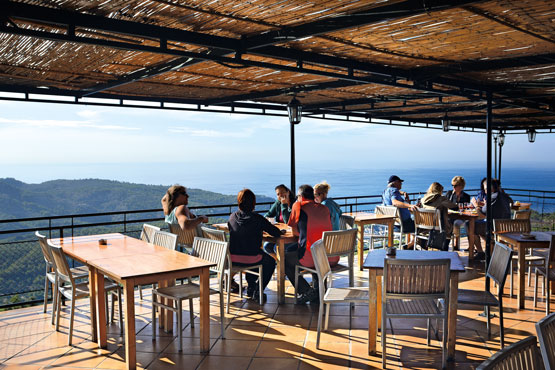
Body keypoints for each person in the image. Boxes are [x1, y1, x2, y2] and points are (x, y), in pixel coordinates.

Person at [228, 189, 282, 303]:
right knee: (270, 262)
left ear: (239, 202)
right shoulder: (257, 218)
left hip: (231, 258)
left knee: (253, 255)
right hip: (251, 258)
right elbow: (275, 232)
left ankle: (251, 287)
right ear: (253, 203)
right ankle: (258, 289)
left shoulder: (232, 217)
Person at [286, 184, 335, 304]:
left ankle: (307, 291)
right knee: (314, 246)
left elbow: (295, 232)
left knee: (285, 259)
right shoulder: (324, 208)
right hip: (329, 257)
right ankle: (319, 291)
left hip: (311, 258)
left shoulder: (298, 206)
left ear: (301, 196)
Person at [473, 178, 512, 260]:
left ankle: (480, 252)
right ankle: (491, 245)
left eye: (485, 188)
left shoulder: (493, 197)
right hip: (505, 226)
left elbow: (481, 215)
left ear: (489, 188)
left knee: (470, 225)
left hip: (495, 228)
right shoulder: (503, 196)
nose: (484, 190)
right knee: (480, 226)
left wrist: (475, 204)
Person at [382, 175, 417, 247]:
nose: (401, 184)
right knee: (420, 225)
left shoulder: (385, 192)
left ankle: (409, 246)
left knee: (412, 220)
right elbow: (395, 202)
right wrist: (410, 206)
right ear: (395, 183)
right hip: (403, 225)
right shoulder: (394, 190)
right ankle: (410, 245)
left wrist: (403, 193)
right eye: (400, 182)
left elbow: (393, 194)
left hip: (392, 224)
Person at [263, 184, 296, 255]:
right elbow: (268, 214)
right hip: (281, 233)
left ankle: (282, 265)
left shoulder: (295, 204)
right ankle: (278, 264)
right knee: (266, 246)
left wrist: (284, 205)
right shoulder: (278, 203)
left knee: (276, 247)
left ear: (288, 192)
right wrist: (267, 219)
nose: (280, 195)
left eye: (282, 192)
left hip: (292, 235)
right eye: (278, 194)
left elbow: (288, 222)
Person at [445, 176, 471, 250]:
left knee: (460, 223)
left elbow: (467, 209)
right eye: (452, 185)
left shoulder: (466, 196)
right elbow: (445, 205)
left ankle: (470, 245)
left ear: (461, 186)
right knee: (449, 223)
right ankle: (446, 245)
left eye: (455, 185)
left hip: (462, 217)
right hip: (451, 216)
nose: (453, 187)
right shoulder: (449, 194)